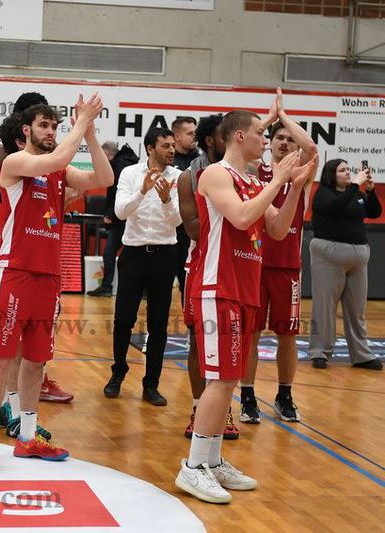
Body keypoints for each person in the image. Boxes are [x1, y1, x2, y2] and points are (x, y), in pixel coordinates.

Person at [175, 109, 317, 504]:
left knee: (231, 378)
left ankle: (213, 459)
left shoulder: (254, 182)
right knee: (220, 378)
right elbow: (240, 217)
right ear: (239, 136)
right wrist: (278, 183)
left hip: (245, 287)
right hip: (217, 286)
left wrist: (295, 188)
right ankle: (193, 466)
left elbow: (277, 229)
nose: (264, 140)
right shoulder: (216, 174)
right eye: (259, 133)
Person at [0, 95, 113, 471]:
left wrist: (90, 134)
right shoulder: (15, 162)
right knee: (1, 357)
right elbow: (55, 159)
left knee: (36, 361)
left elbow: (104, 179)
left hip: (49, 277)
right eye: (44, 126)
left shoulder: (59, 172)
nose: (50, 132)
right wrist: (80, 122)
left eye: (54, 126)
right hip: (16, 272)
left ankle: (28, 436)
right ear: (27, 130)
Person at [240, 89, 318, 424]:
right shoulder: (254, 170)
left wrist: (284, 116)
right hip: (254, 264)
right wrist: (269, 119)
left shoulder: (302, 172)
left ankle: (285, 395)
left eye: (290, 139)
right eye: (279, 138)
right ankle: (247, 396)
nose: (285, 143)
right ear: (268, 142)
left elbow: (311, 149)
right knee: (251, 333)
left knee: (288, 335)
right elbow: (244, 143)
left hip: (288, 268)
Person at [104, 127, 181, 406]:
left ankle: (151, 384)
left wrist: (166, 199)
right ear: (150, 148)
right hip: (134, 254)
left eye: (173, 145)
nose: (172, 150)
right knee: (123, 319)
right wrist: (142, 191)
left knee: (158, 324)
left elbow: (177, 221)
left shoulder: (179, 177)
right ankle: (118, 372)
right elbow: (120, 212)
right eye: (165, 146)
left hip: (164, 255)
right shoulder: (129, 173)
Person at [178, 114, 240, 440]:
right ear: (210, 141)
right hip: (202, 266)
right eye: (222, 135)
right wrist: (228, 209)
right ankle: (197, 407)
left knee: (233, 341)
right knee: (197, 339)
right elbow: (193, 228)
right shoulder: (189, 177)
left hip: (237, 267)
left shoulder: (243, 173)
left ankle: (223, 409)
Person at [308, 159, 383, 370]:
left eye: (349, 169)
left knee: (357, 310)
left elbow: (374, 212)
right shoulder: (323, 195)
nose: (348, 172)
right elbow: (336, 208)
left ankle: (361, 355)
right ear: (331, 174)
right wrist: (355, 185)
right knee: (324, 307)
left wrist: (371, 191)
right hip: (329, 256)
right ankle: (319, 351)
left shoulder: (356, 194)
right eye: (342, 170)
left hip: (358, 258)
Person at [86, 142, 138, 297]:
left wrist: (110, 214)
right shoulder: (129, 163)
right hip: (131, 217)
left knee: (109, 253)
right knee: (133, 254)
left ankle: (107, 286)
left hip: (120, 218)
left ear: (106, 154)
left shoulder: (118, 166)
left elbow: (116, 194)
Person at [172, 117, 199, 308]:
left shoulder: (201, 161)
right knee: (160, 286)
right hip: (167, 232)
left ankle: (189, 321)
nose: (194, 137)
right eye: (190, 133)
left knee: (188, 281)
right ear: (177, 136)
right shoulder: (167, 160)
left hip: (189, 232)